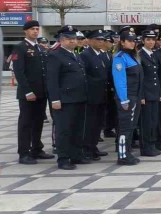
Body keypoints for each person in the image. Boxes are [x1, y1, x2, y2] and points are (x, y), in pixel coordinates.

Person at [11, 20, 53, 165]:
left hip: (41, 93)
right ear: (26, 31)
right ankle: (23, 153)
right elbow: (19, 72)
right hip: (28, 94)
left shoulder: (40, 48)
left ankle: (36, 148)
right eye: (32, 29)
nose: (35, 31)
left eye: (37, 29)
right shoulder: (20, 48)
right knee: (26, 123)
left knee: (38, 122)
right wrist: (27, 91)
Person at [47, 25, 89, 170]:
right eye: (68, 39)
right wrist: (55, 99)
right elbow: (52, 79)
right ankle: (63, 158)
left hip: (79, 98)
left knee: (78, 129)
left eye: (74, 39)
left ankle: (76, 155)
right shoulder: (55, 55)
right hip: (64, 100)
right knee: (64, 130)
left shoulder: (75, 54)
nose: (72, 41)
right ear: (61, 40)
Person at [112, 28, 142, 165]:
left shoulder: (131, 56)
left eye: (134, 40)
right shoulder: (120, 58)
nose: (132, 43)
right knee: (125, 127)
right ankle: (122, 156)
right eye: (129, 41)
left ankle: (127, 151)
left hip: (135, 95)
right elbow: (120, 81)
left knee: (131, 126)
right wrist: (124, 100)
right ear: (122, 42)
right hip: (127, 97)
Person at [80, 30, 110, 161]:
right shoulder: (85, 55)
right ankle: (86, 148)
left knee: (98, 124)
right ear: (90, 40)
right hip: (91, 96)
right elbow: (84, 77)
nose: (101, 42)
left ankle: (93, 146)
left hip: (102, 95)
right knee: (89, 124)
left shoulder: (101, 55)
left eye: (102, 40)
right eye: (98, 39)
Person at [138, 30, 161, 156]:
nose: (151, 42)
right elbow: (140, 78)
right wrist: (141, 95)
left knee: (153, 120)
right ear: (143, 41)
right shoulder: (140, 55)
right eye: (148, 39)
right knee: (146, 122)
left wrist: (159, 93)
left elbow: (156, 76)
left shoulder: (153, 54)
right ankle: (145, 147)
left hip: (154, 93)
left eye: (153, 40)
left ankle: (152, 144)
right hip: (145, 94)